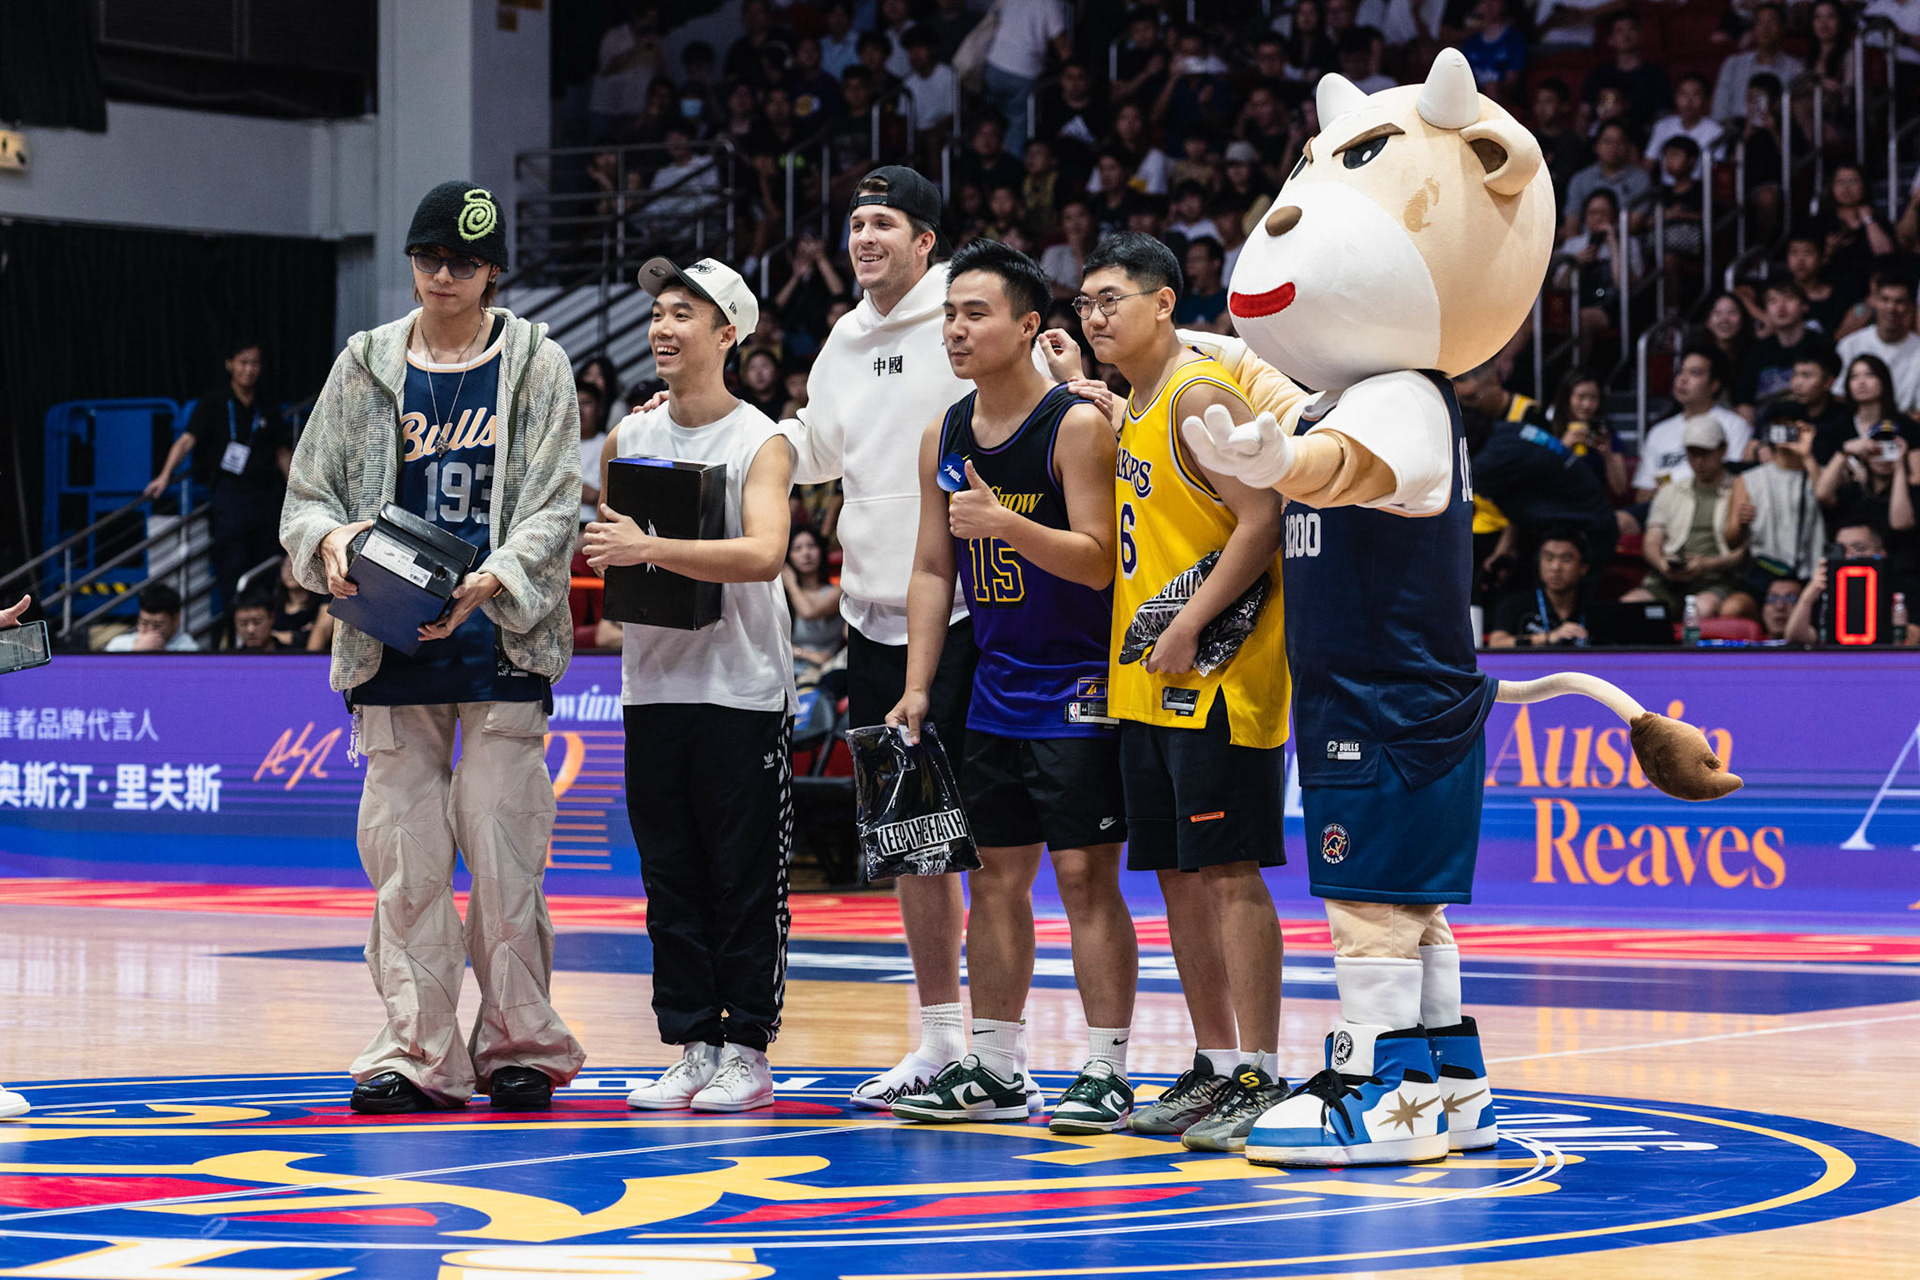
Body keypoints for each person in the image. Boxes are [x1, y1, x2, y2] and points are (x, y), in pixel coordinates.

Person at [630, 167, 1078, 1111]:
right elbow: (813, 447)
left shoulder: (965, 318)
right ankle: (939, 1041)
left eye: (885, 222)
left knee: (993, 849)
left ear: (926, 241)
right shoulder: (843, 337)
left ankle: (1001, 1051)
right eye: (855, 222)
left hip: (978, 618)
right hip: (879, 615)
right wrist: (704, 436)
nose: (864, 236)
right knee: (910, 841)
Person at [279, 181, 585, 1115]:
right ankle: (418, 1052)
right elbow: (306, 499)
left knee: (502, 859)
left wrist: (491, 582)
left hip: (501, 644)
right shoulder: (365, 363)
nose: (443, 276)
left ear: (493, 272)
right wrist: (331, 546)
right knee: (405, 865)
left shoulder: (537, 363)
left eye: (463, 263)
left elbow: (553, 503)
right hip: (387, 647)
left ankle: (519, 1046)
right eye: (428, 260)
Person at [884, 239, 1137, 1133]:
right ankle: (993, 1065)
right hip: (993, 687)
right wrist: (918, 684)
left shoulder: (1075, 425)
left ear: (1030, 326)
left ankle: (1106, 1069)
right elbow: (929, 566)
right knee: (991, 877)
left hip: (1079, 686)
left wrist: (1002, 523)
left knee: (1082, 876)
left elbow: (1100, 562)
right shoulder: (944, 433)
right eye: (949, 313)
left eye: (974, 312)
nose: (955, 328)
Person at [1076, 232, 1294, 1153]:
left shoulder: (1200, 394)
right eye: (1085, 302)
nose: (1094, 316)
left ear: (1166, 303)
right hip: (1143, 683)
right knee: (1175, 877)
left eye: (1112, 299)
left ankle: (1265, 1072)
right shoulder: (1131, 405)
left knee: (1228, 871)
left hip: (1215, 679)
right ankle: (1213, 1065)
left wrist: (1192, 622)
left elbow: (1262, 517)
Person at [584, 257, 794, 1114]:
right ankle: (692, 1045)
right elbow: (610, 545)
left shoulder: (762, 439)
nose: (664, 327)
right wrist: (620, 554)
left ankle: (747, 1046)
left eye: (685, 313)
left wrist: (648, 549)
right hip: (655, 685)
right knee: (669, 876)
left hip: (743, 689)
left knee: (742, 878)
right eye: (659, 313)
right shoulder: (628, 438)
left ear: (728, 334)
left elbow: (764, 554)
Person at [144, 337, 293, 620]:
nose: (249, 369)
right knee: (231, 563)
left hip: (265, 496)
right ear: (230, 365)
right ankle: (233, 629)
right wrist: (165, 476)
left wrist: (297, 489)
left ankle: (264, 629)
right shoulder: (214, 402)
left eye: (255, 363)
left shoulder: (266, 403)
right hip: (229, 495)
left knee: (266, 563)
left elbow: (281, 452)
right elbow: (186, 440)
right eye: (243, 363)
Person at [1626, 417, 1749, 618]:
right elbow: (1652, 541)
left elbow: (1745, 552)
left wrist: (1706, 565)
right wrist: (1662, 564)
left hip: (1715, 580)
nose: (1698, 461)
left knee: (1701, 610)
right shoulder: (1670, 492)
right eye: (1692, 453)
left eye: (1705, 453)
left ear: (1723, 449)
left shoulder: (1741, 491)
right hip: (1667, 579)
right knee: (1628, 607)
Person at [1724, 411, 1823, 618]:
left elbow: (1826, 498)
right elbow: (1731, 541)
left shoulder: (1820, 473)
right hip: (1764, 571)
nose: (1785, 434)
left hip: (1809, 575)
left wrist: (1807, 454)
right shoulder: (1749, 479)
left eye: (1793, 429)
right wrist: (1742, 524)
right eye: (1779, 428)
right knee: (1732, 609)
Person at [1635, 347, 1753, 499]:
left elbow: (1736, 480)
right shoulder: (1658, 432)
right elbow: (1642, 494)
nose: (1682, 379)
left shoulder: (1734, 425)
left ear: (1714, 385)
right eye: (1680, 372)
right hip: (1664, 508)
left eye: (1694, 373)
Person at [1735, 282, 1835, 422]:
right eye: (1772, 301)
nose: (1781, 307)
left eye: (1789, 299)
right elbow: (1744, 403)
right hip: (1765, 429)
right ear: (1766, 310)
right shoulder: (1755, 352)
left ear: (1804, 306)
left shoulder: (1822, 345)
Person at [982, 0, 1071, 158]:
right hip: (1022, 71)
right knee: (1018, 125)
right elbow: (1062, 44)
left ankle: (992, 161)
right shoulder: (1049, 3)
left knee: (1000, 120)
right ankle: (1010, 172)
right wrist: (1074, 68)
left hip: (993, 67)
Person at [1484, 532, 1593, 646]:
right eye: (1548, 558)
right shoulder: (1515, 604)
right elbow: (1496, 643)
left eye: (1566, 559)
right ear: (1539, 563)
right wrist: (1548, 637)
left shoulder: (1594, 611)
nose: (1556, 567)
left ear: (1583, 567)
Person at [1834, 274, 1920, 414]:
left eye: (1899, 301)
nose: (1891, 308)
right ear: (1874, 301)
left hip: (1904, 429)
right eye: (1885, 300)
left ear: (1910, 306)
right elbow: (1838, 396)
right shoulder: (1850, 345)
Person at [1711, 2, 1804, 124]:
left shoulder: (1796, 68)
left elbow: (1798, 115)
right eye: (1760, 22)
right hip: (1736, 132)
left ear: (1782, 28)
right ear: (1753, 29)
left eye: (1772, 22)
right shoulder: (1732, 64)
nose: (1766, 28)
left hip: (1778, 133)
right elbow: (1719, 111)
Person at [785, 525, 845, 684]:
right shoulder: (783, 597)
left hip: (830, 672)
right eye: (797, 548)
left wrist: (791, 585)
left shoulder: (837, 592)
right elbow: (771, 640)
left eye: (811, 546)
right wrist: (807, 654)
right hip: (790, 670)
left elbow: (809, 613)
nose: (806, 553)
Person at [1644, 74, 1722, 183]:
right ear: (1675, 98)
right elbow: (1649, 163)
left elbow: (1716, 171)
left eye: (1696, 95)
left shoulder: (1716, 131)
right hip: (1666, 190)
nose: (1688, 101)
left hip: (1699, 190)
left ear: (1706, 100)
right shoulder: (1662, 126)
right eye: (1683, 94)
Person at [103, 583, 200, 653]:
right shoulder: (119, 644)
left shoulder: (188, 650)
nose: (150, 630)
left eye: (157, 625)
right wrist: (136, 653)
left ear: (175, 620)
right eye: (144, 623)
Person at [1172, 236, 1230, 333]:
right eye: (1188, 261)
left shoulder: (1230, 300)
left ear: (1215, 264)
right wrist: (1206, 328)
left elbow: (1220, 332)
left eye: (1196, 260)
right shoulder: (1183, 304)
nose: (1189, 265)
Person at [271, 554, 323, 651]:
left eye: (296, 565)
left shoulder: (320, 604)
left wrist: (277, 635)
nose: (291, 571)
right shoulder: (273, 604)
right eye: (287, 565)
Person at [577, 377, 610, 525]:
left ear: (600, 409)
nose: (579, 410)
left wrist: (596, 495)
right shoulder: (555, 444)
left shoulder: (609, 443)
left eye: (586, 403)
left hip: (591, 524)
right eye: (574, 403)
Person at [231, 588, 286, 653]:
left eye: (257, 622)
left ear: (271, 618)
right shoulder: (230, 660)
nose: (250, 630)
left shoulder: (294, 656)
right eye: (243, 623)